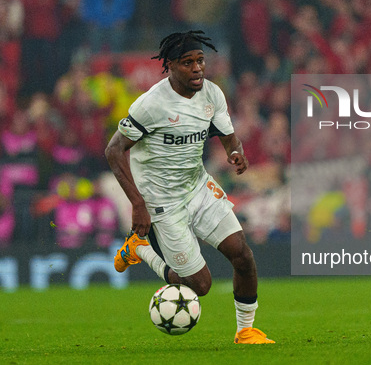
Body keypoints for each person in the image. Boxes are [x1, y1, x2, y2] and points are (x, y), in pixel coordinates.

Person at [104, 31, 274, 344]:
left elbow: (227, 134)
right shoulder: (151, 105)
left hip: (197, 187)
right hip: (161, 201)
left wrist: (235, 151)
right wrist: (138, 204)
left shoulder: (212, 94)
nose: (197, 68)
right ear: (169, 66)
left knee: (243, 255)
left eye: (200, 61)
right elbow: (114, 150)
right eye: (188, 63)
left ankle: (246, 331)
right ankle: (139, 248)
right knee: (200, 285)